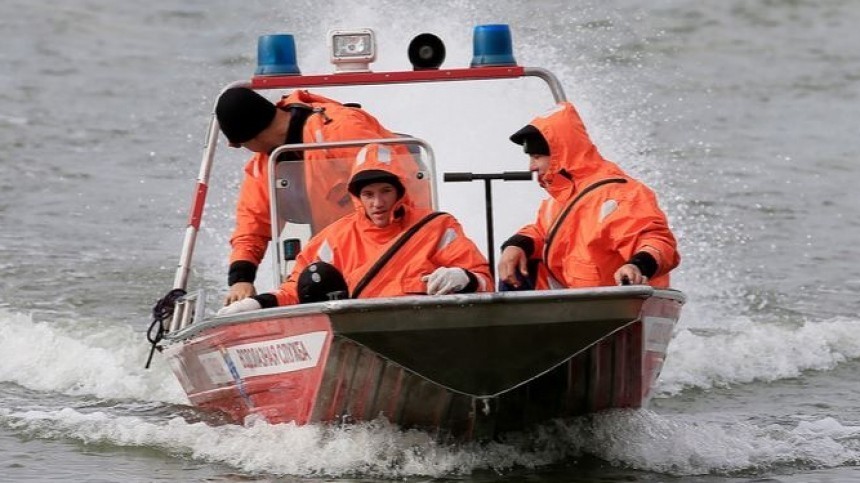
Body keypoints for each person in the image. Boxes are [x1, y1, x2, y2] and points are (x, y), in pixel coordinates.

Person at [218, 143, 492, 315]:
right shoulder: (333, 239)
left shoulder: (438, 227)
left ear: (400, 192)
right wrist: (258, 303)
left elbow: (484, 282)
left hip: (425, 335)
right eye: (369, 194)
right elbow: (297, 291)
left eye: (386, 191)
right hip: (358, 341)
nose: (378, 202)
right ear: (356, 197)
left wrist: (463, 277)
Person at [216, 87, 427, 306]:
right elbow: (252, 224)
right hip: (339, 252)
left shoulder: (340, 130)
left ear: (251, 136)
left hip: (396, 241)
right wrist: (241, 279)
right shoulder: (265, 165)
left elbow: (398, 186)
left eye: (240, 144)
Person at [497, 102, 680, 290]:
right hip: (573, 300)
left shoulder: (620, 194)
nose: (531, 167)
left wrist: (637, 266)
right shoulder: (559, 199)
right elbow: (541, 232)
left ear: (559, 153)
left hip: (617, 302)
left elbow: (657, 241)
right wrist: (517, 245)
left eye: (536, 157)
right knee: (515, 268)